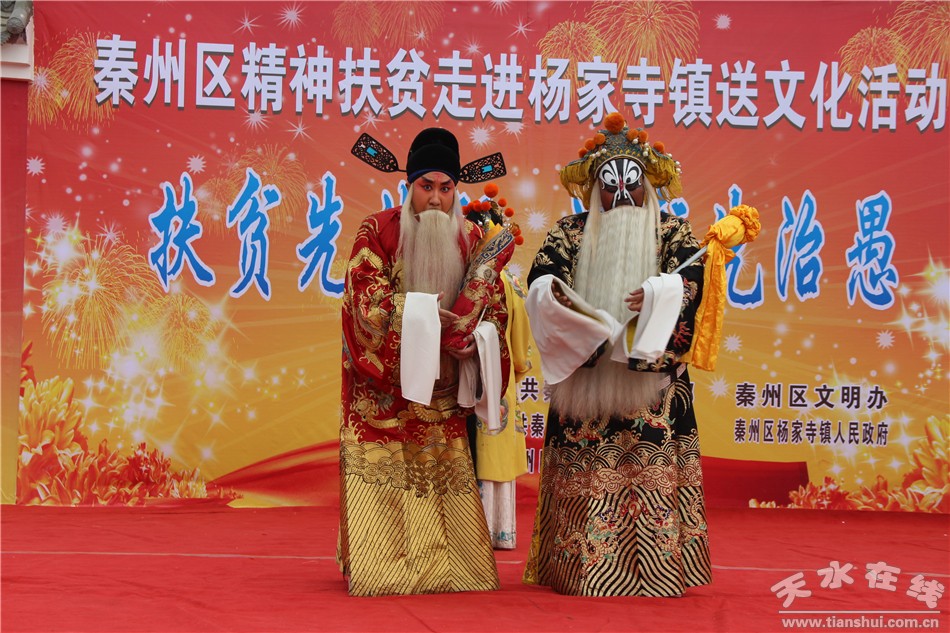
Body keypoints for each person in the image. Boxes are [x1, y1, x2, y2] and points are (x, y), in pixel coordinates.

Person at [522, 112, 711, 597]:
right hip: (586, 383)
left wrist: (662, 294)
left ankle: (658, 571)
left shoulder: (672, 232)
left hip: (651, 387)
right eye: (610, 185)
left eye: (633, 183)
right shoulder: (570, 232)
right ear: (594, 190)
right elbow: (542, 279)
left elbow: (694, 280)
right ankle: (577, 570)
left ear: (648, 185)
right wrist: (561, 301)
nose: (623, 194)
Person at [339, 128, 510, 596]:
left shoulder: (472, 238)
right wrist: (417, 315)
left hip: (444, 393)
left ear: (457, 190)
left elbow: (494, 309)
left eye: (445, 188)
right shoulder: (379, 230)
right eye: (425, 186)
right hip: (386, 394)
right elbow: (363, 303)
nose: (435, 199)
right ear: (408, 185)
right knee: (388, 477)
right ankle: (384, 566)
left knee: (443, 478)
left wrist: (475, 341)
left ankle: (450, 570)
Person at [463, 193, 531, 550]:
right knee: (494, 451)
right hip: (499, 376)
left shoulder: (465, 279)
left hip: (467, 374)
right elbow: (520, 339)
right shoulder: (511, 284)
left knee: (478, 450)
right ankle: (499, 530)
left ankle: (472, 532)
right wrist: (517, 366)